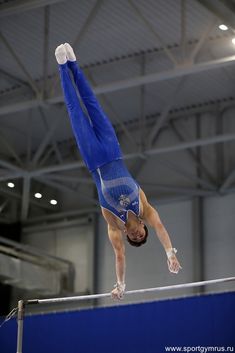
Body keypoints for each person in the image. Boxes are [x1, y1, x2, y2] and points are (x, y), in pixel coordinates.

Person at [55, 43, 182, 300]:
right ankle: (73, 64)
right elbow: (161, 229)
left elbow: (120, 255)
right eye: (141, 234)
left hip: (93, 159)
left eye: (134, 237)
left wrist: (121, 285)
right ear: (143, 228)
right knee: (92, 104)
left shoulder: (113, 225)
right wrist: (170, 253)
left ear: (128, 235)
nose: (137, 234)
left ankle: (60, 67)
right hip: (113, 150)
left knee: (75, 112)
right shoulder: (145, 209)